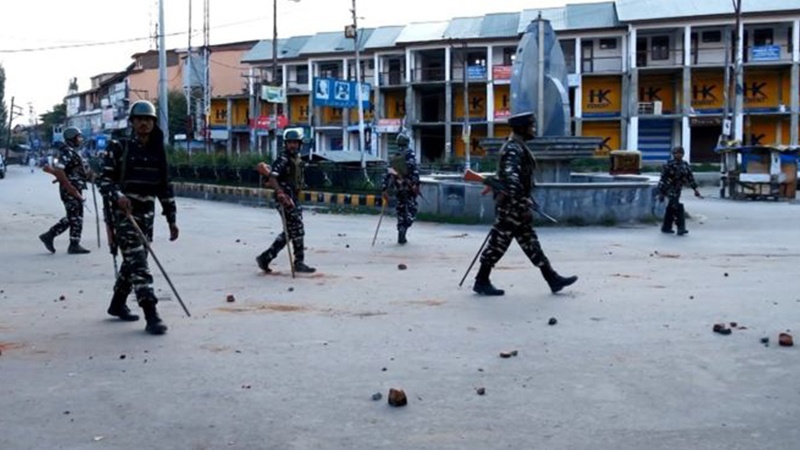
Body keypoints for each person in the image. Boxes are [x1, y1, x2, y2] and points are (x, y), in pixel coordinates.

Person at [473, 111, 577, 296]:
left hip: (516, 204)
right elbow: (512, 178)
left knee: (530, 243)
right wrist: (522, 201)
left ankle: (552, 278)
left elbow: (510, 178)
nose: (534, 129)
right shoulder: (513, 148)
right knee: (499, 244)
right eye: (531, 126)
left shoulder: (518, 147)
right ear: (522, 128)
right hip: (512, 207)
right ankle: (481, 281)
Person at [97, 100, 179, 334]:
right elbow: (104, 180)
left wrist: (171, 218)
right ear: (132, 122)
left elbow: (165, 185)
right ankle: (151, 314)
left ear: (153, 122)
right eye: (140, 119)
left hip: (147, 213)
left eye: (148, 119)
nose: (144, 123)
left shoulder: (157, 148)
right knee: (140, 264)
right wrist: (117, 196)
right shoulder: (119, 146)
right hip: (125, 212)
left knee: (134, 260)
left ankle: (117, 303)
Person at [256, 128, 316, 274]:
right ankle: (297, 262)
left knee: (291, 230)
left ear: (300, 144)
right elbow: (272, 177)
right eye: (290, 142)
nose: (293, 145)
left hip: (293, 197)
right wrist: (281, 193)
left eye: (295, 142)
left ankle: (267, 257)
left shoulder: (296, 159)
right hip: (285, 198)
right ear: (285, 144)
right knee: (296, 229)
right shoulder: (283, 159)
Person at [39, 127, 91, 255]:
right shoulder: (67, 152)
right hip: (70, 190)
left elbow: (71, 171)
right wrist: (70, 187)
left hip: (74, 188)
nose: (81, 140)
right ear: (72, 138)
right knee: (75, 216)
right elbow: (60, 170)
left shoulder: (72, 152)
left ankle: (57, 238)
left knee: (74, 217)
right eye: (78, 137)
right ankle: (66, 241)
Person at [381, 133, 420, 244]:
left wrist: (385, 188)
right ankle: (404, 228)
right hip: (409, 188)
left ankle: (401, 229)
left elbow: (388, 173)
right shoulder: (410, 154)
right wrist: (416, 184)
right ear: (407, 142)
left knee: (401, 210)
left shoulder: (394, 156)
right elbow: (415, 171)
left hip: (398, 188)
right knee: (411, 209)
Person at [657, 146, 702, 236]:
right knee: (677, 206)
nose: (678, 155)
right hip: (669, 188)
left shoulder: (685, 165)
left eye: (680, 153)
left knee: (671, 207)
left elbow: (690, 178)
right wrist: (661, 192)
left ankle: (666, 227)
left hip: (678, 188)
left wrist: (695, 189)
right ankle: (681, 227)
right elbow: (663, 179)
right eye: (676, 153)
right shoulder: (668, 164)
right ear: (673, 154)